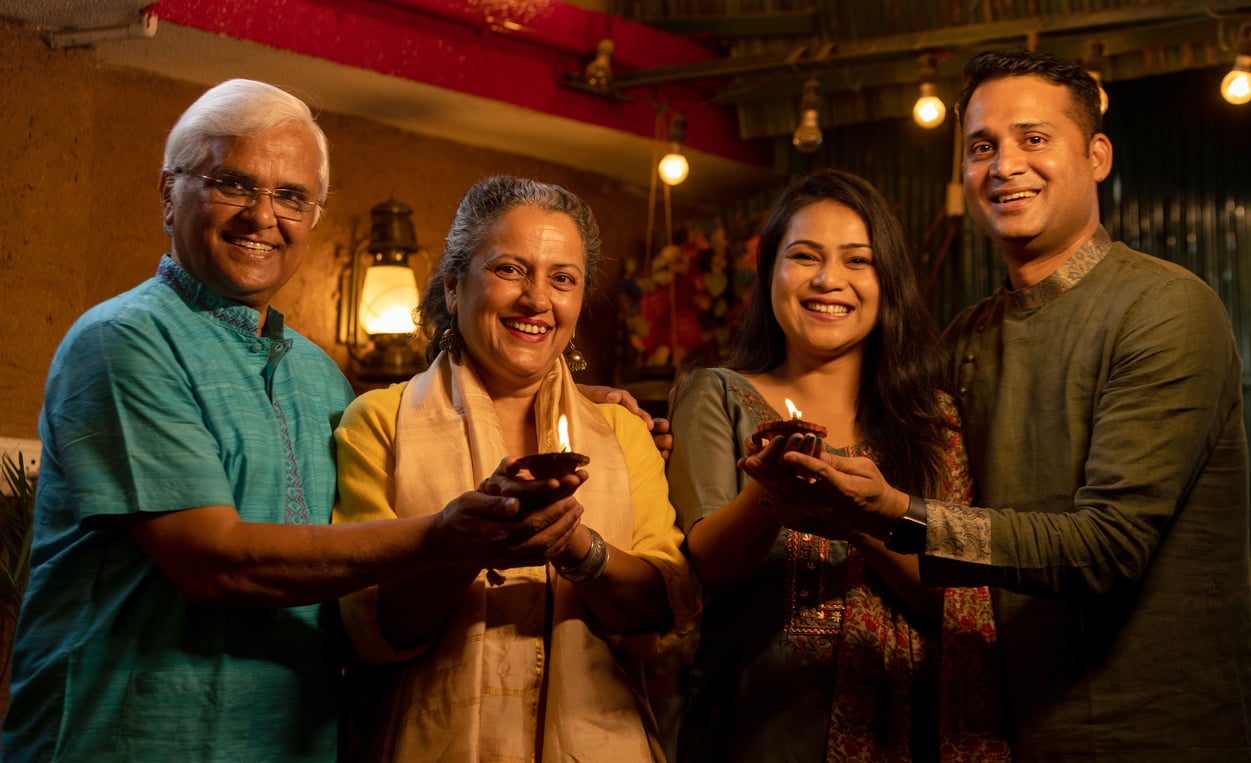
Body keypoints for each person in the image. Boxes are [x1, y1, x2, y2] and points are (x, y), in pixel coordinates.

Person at [0, 79, 655, 762]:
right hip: (125, 740)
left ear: (314, 216)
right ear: (168, 193)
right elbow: (214, 563)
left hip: (290, 742)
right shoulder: (123, 341)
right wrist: (443, 537)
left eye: (291, 196)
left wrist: (561, 394)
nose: (262, 215)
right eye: (232, 183)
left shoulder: (315, 374)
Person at [743, 51, 1251, 761]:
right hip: (996, 730)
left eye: (1033, 139)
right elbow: (873, 412)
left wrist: (895, 513)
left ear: (1096, 155)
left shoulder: (1164, 308)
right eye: (982, 147)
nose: (1004, 164)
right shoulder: (967, 338)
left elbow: (1108, 548)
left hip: (1155, 731)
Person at [331, 175, 697, 762]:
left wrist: (581, 549)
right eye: (509, 270)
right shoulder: (380, 420)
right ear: (453, 286)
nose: (537, 299)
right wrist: (464, 544)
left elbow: (664, 608)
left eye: (563, 279)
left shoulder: (623, 432)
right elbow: (373, 627)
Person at [666, 169, 1008, 762]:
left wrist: (859, 520)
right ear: (769, 271)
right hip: (756, 729)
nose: (829, 280)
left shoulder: (933, 419)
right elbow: (708, 570)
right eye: (803, 256)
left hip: (908, 730)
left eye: (857, 261)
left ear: (887, 281)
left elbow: (958, 599)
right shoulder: (718, 393)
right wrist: (771, 492)